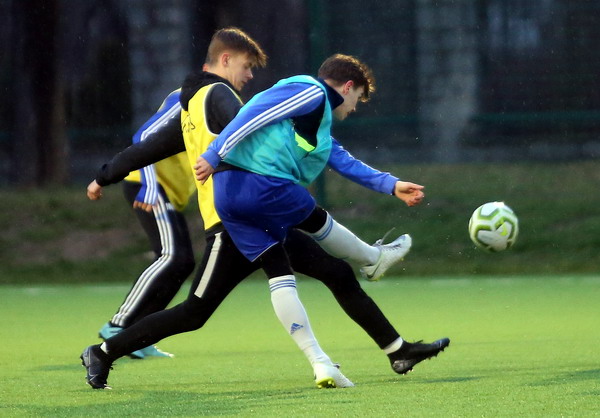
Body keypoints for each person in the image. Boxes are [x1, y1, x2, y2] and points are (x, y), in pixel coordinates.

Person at [81, 28, 449, 390]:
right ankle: (103, 352)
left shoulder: (191, 110)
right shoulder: (221, 96)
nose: (249, 76)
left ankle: (395, 350)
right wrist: (227, 156)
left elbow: (147, 149)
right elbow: (254, 123)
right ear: (225, 60)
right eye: (246, 66)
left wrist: (103, 176)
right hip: (234, 222)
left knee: (335, 273)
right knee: (195, 311)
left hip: (253, 214)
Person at [93, 89, 196, 359]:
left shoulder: (222, 99)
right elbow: (144, 135)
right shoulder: (189, 95)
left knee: (184, 262)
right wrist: (149, 184)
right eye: (246, 68)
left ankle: (140, 335)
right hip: (150, 187)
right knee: (171, 256)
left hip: (168, 191)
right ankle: (118, 326)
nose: (249, 76)